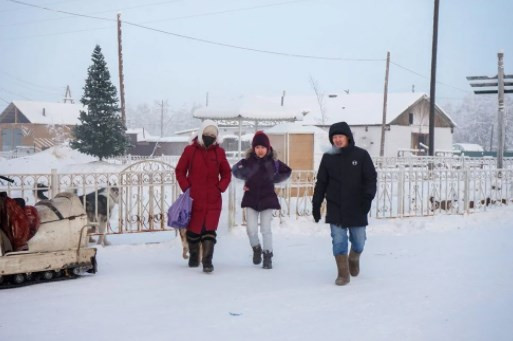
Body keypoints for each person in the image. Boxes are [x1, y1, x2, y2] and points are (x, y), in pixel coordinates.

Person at [312, 121, 377, 286]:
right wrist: (316, 203)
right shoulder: (328, 158)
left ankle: (354, 257)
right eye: (334, 137)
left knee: (359, 240)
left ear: (347, 137)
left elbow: (370, 178)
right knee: (338, 239)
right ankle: (343, 273)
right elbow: (321, 182)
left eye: (340, 136)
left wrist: (368, 197)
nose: (337, 140)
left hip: (357, 205)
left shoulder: (361, 156)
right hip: (336, 206)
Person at [175, 120, 231, 273]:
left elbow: (226, 173)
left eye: (213, 135)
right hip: (194, 198)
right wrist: (187, 187)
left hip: (213, 198)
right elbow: (180, 171)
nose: (209, 137)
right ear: (201, 133)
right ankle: (194, 256)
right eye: (207, 134)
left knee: (209, 230)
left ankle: (207, 261)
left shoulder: (219, 152)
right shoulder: (190, 151)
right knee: (193, 231)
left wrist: (220, 187)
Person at [232, 131, 291, 269]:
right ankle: (256, 249)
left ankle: (268, 256)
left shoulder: (273, 163)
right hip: (251, 199)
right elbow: (235, 171)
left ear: (268, 148)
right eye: (257, 147)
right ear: (253, 148)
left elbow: (287, 171)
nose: (260, 150)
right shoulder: (247, 162)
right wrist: (244, 183)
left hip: (267, 200)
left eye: (263, 147)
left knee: (266, 229)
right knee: (251, 230)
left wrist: (274, 180)